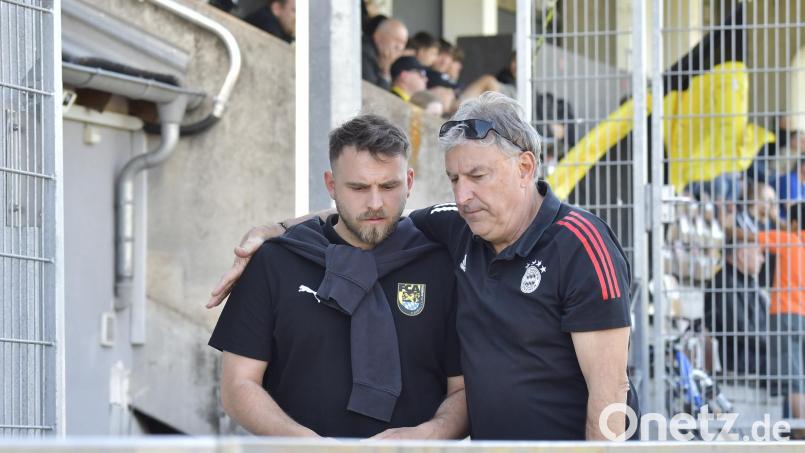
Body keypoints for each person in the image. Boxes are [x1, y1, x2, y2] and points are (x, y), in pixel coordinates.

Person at [209, 93, 638, 440]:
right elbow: (364, 217)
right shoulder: (457, 228)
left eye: (478, 176)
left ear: (525, 167)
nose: (464, 193)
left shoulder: (581, 243)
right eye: (454, 179)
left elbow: (611, 394)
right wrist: (272, 229)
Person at [208, 115, 467, 439]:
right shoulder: (275, 262)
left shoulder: (443, 265)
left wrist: (425, 437)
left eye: (389, 186)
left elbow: (463, 391)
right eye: (358, 187)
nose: (375, 203)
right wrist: (306, 444)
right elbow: (238, 385)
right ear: (331, 185)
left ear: (410, 181)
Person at [728, 200, 805, 438]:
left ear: (792, 224)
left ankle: (801, 432)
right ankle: (793, 430)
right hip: (802, 316)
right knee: (797, 374)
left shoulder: (788, 240)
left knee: (792, 379)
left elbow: (751, 237)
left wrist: (728, 227)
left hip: (784, 315)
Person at [704, 237, 768, 375]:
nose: (762, 259)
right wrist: (775, 345)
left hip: (760, 354)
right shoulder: (725, 283)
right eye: (758, 253)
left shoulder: (745, 281)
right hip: (745, 359)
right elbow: (741, 329)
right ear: (741, 255)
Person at [362, 18, 408, 90]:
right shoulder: (365, 53)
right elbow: (374, 95)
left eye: (403, 43)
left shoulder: (381, 56)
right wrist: (385, 71)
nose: (399, 47)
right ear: (379, 36)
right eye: (396, 40)